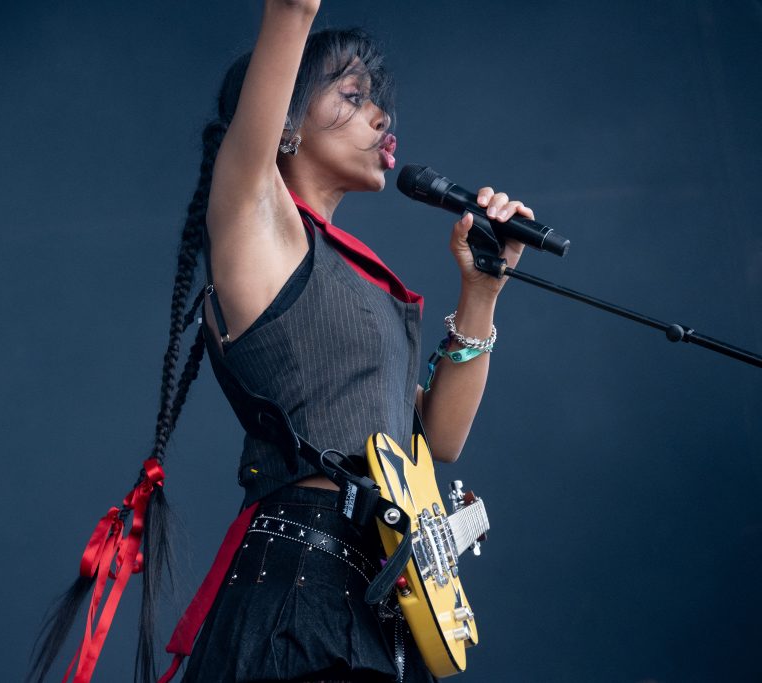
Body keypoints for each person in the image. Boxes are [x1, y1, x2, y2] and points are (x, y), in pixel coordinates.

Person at [30, 2, 533, 682]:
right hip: (297, 594)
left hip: (380, 604)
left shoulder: (362, 283)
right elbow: (292, 11)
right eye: (351, 96)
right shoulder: (254, 222)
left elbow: (439, 439)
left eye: (375, 100)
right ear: (285, 124)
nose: (380, 116)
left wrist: (481, 292)